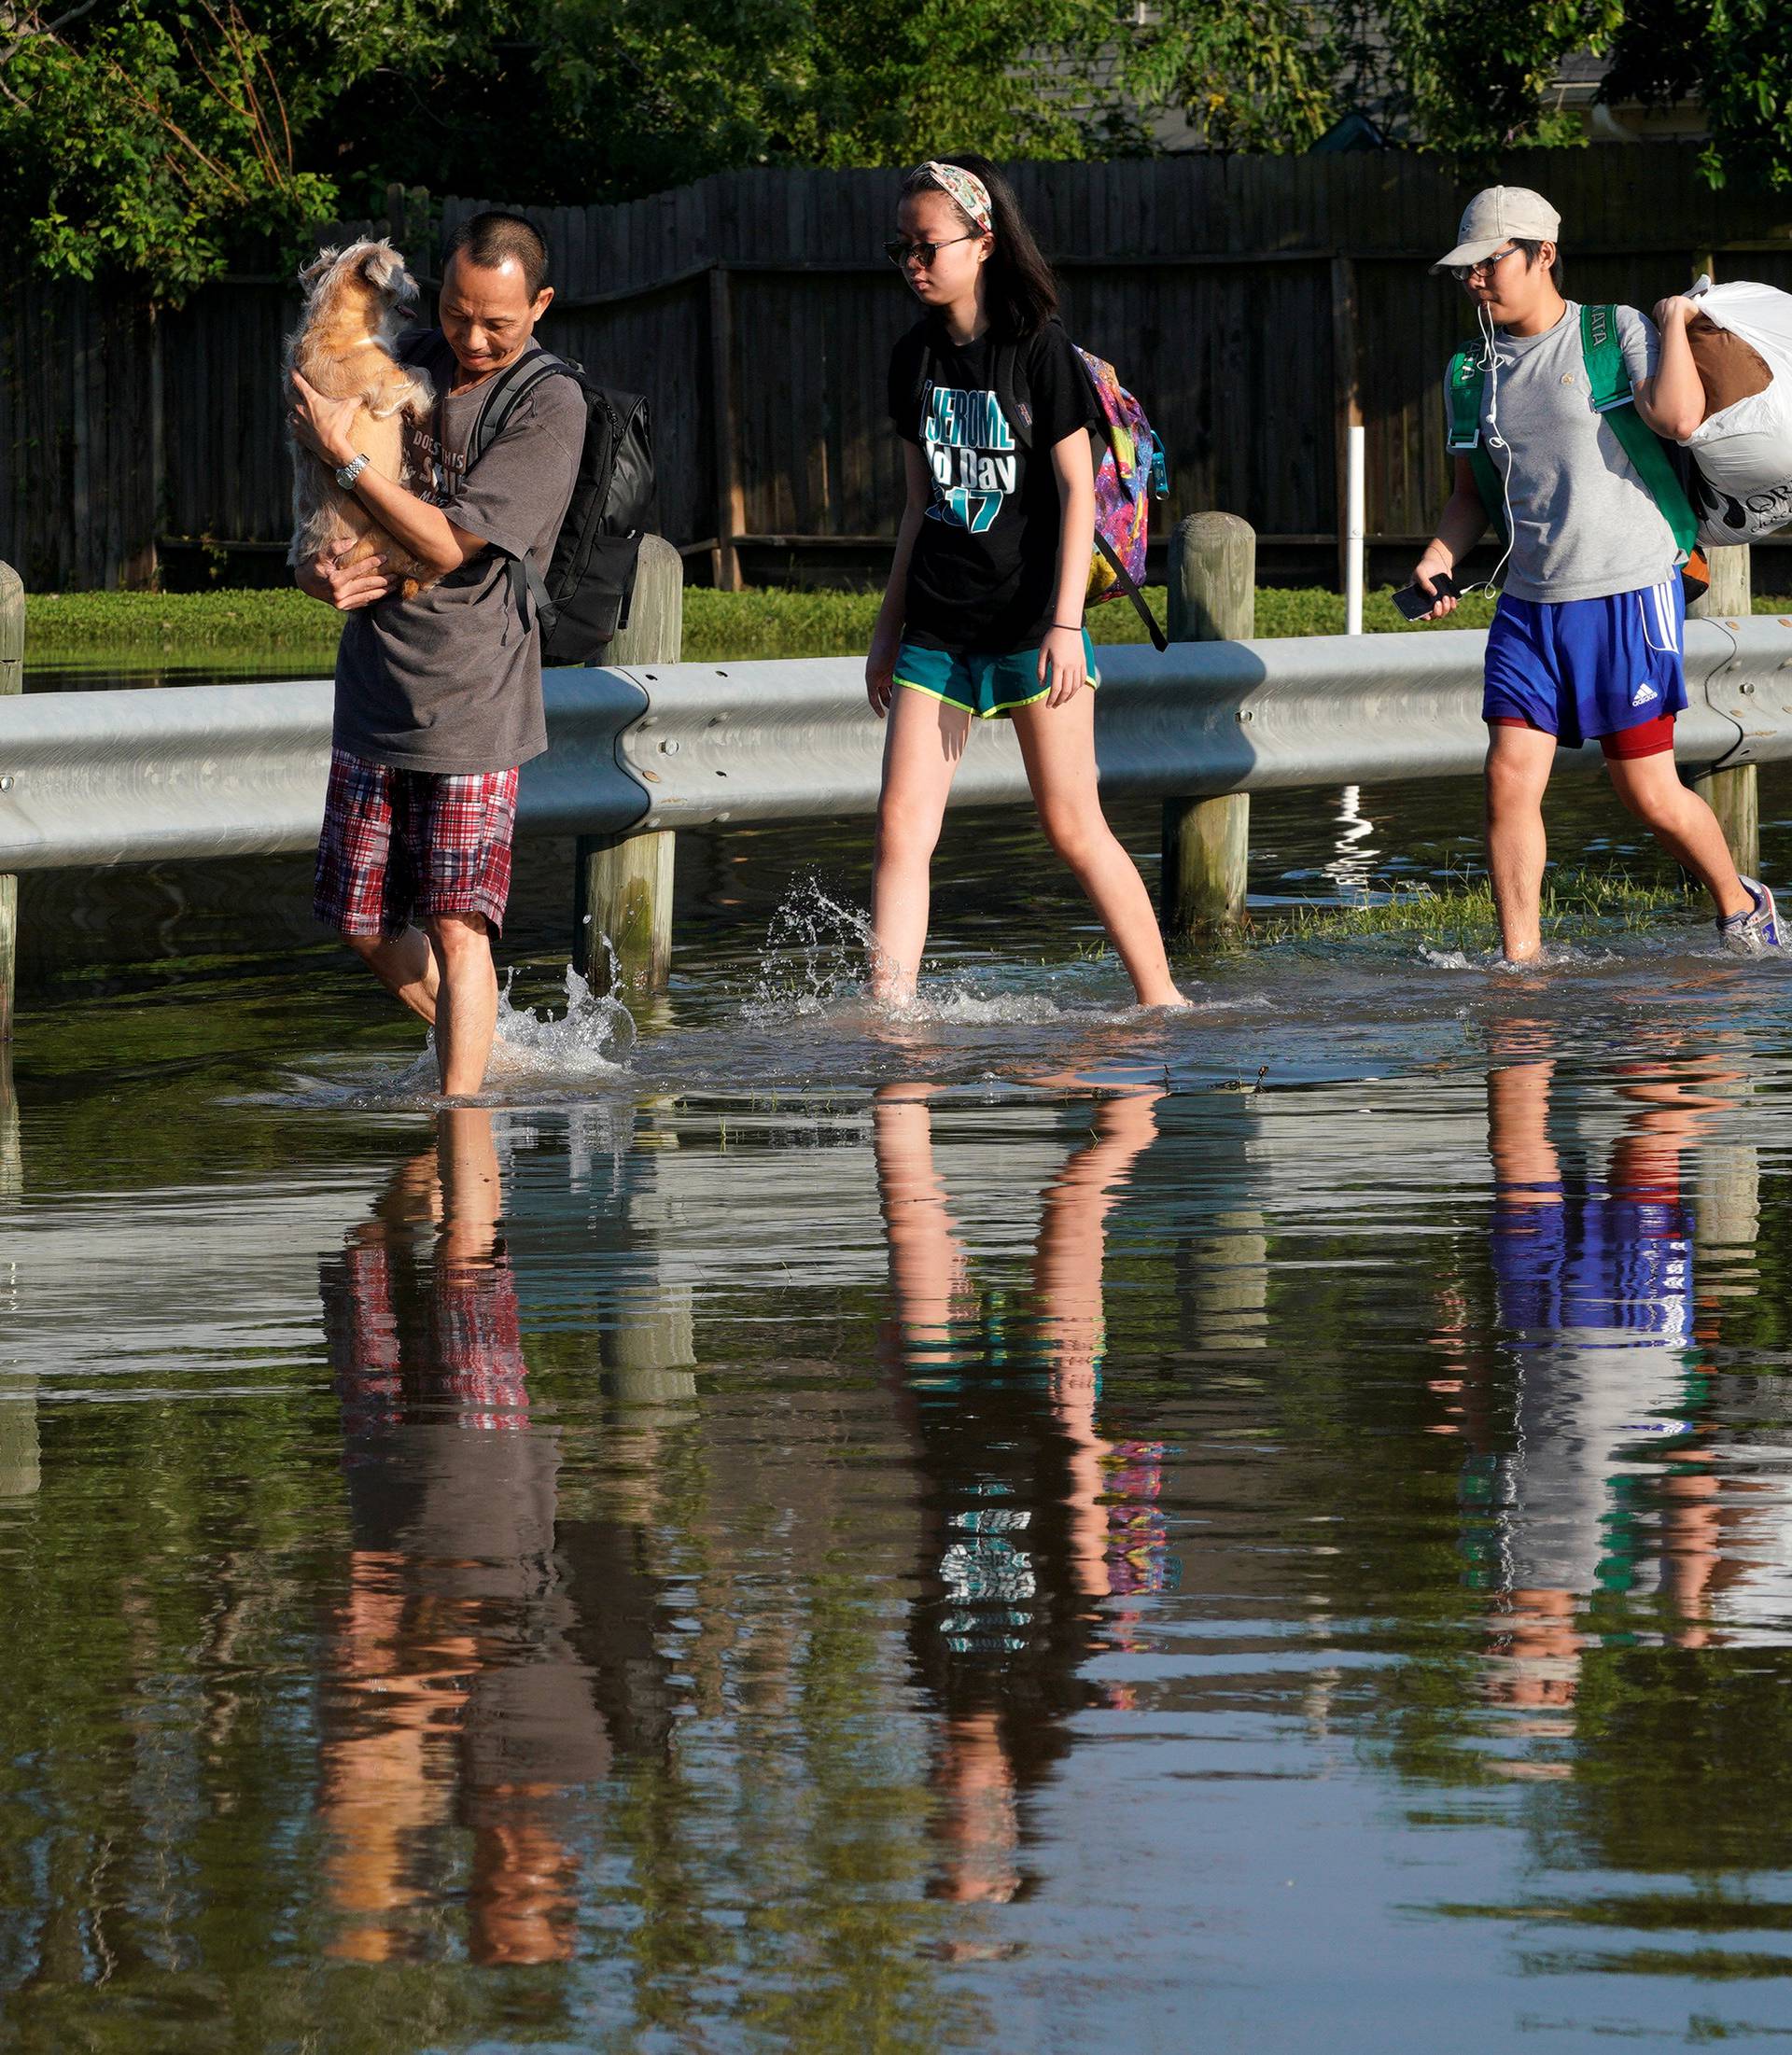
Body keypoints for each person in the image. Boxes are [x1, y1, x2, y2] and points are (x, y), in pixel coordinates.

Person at [1408, 187, 1783, 964]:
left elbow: (1679, 421)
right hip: (1528, 604)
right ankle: (1522, 962)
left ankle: (1743, 903)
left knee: (1646, 793)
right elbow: (1469, 496)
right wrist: (1440, 557)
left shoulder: (1615, 331)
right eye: (1465, 270)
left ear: (1544, 253)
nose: (1475, 281)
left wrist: (1676, 321)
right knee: (1508, 781)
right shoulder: (1469, 371)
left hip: (1627, 590)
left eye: (1489, 263)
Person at [866, 155, 1188, 1011]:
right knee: (901, 832)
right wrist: (886, 629)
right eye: (901, 247)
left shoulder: (1039, 350)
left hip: (1031, 624)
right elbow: (916, 505)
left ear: (984, 242)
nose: (914, 262)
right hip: (936, 627)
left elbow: (1081, 491)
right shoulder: (912, 358)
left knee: (1073, 825)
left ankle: (1163, 1001)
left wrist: (1064, 624)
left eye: (928, 244)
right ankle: (890, 1018)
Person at [288, 211, 586, 1095]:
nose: (472, 337)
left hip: (474, 699)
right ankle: (492, 1051)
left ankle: (463, 1130)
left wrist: (346, 459)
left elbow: (452, 544)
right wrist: (318, 573)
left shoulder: (547, 401)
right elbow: (310, 525)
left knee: (460, 928)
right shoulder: (400, 361)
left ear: (540, 306)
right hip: (375, 690)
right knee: (360, 920)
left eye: (498, 321)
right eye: (458, 313)